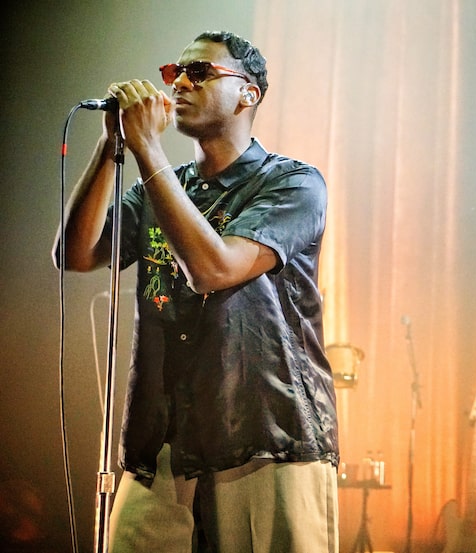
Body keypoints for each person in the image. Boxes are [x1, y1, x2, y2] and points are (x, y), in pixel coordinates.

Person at [53, 31, 339, 552]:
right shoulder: (161, 184)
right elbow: (75, 254)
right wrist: (110, 145)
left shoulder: (294, 184)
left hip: (264, 437)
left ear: (247, 94)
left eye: (201, 73)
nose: (180, 82)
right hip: (163, 438)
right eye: (174, 72)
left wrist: (147, 149)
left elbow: (214, 268)